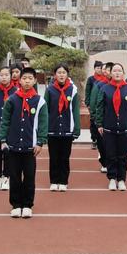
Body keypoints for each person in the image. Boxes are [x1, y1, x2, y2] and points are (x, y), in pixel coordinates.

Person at [0, 67, 47, 218]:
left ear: (34, 81)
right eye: (24, 78)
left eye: (30, 79)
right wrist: (2, 139)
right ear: (19, 80)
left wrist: (40, 142)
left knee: (29, 177)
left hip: (30, 147)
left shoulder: (40, 101)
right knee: (14, 177)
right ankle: (16, 204)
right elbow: (5, 121)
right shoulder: (12, 99)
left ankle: (27, 205)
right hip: (13, 146)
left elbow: (43, 123)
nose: (27, 81)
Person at [95, 63, 127, 191]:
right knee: (110, 155)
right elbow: (100, 107)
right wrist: (99, 124)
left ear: (123, 73)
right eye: (114, 71)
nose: (117, 73)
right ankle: (112, 178)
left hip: (126, 128)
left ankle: (121, 179)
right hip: (109, 128)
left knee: (123, 156)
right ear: (111, 73)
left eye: (119, 70)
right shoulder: (105, 89)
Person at [44, 63, 80, 191]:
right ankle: (54, 181)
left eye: (64, 72)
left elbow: (75, 110)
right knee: (53, 157)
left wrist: (76, 129)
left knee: (65, 157)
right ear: (55, 75)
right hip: (52, 128)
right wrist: (44, 129)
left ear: (67, 75)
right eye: (59, 72)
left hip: (67, 129)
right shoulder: (49, 90)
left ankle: (63, 181)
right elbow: (45, 110)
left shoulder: (73, 90)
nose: (61, 75)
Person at [87, 62, 111, 171]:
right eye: (105, 69)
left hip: (114, 121)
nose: (105, 71)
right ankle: (104, 163)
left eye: (108, 69)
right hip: (101, 119)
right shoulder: (99, 84)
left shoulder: (123, 86)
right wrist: (95, 117)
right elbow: (93, 102)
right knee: (102, 142)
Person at [85, 61, 106, 151]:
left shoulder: (105, 79)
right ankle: (94, 139)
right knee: (93, 123)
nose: (99, 70)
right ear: (94, 69)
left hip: (102, 105)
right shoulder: (91, 79)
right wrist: (88, 103)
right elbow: (88, 92)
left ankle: (101, 140)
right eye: (97, 68)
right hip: (93, 105)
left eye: (101, 68)